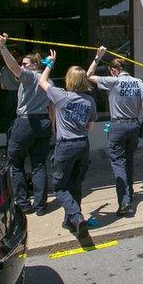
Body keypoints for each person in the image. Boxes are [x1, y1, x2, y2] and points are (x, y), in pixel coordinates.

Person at [37, 50, 97, 239]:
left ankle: (76, 217)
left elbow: (42, 82)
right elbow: (89, 127)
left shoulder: (61, 96)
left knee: (60, 187)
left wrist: (50, 63)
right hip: (83, 145)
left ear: (69, 80)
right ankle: (71, 221)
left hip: (66, 145)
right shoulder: (89, 100)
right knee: (76, 184)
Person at [87, 46, 143, 217]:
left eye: (110, 70)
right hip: (134, 126)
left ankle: (124, 202)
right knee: (129, 160)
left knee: (118, 163)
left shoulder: (113, 81)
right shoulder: (139, 82)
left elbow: (88, 76)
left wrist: (97, 57)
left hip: (118, 125)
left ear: (115, 70)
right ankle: (129, 194)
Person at [0, 33, 53, 215]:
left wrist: (3, 48)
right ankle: (40, 205)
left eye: (25, 64)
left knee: (16, 163)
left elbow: (13, 66)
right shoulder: (48, 81)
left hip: (26, 122)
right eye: (23, 64)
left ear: (35, 65)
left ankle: (23, 203)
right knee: (39, 164)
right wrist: (52, 125)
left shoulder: (30, 77)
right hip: (43, 122)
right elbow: (51, 106)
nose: (22, 66)